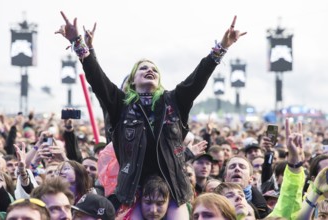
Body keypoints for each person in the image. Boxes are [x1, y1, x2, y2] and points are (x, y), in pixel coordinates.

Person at [56, 11, 246, 219]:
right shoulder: (120, 105)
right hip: (133, 191)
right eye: (143, 68)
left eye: (154, 69)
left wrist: (223, 46)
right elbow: (98, 79)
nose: (150, 70)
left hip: (173, 189)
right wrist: (77, 42)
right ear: (132, 81)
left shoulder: (174, 101)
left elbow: (199, 77)